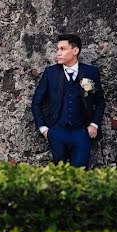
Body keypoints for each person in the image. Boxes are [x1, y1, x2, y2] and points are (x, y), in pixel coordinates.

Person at [31, 34, 105, 169]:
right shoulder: (50, 73)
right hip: (56, 132)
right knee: (59, 175)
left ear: (75, 51)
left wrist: (94, 124)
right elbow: (36, 102)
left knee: (80, 175)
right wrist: (44, 129)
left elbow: (100, 102)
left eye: (63, 49)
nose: (58, 53)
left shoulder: (90, 72)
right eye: (57, 49)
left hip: (81, 133)